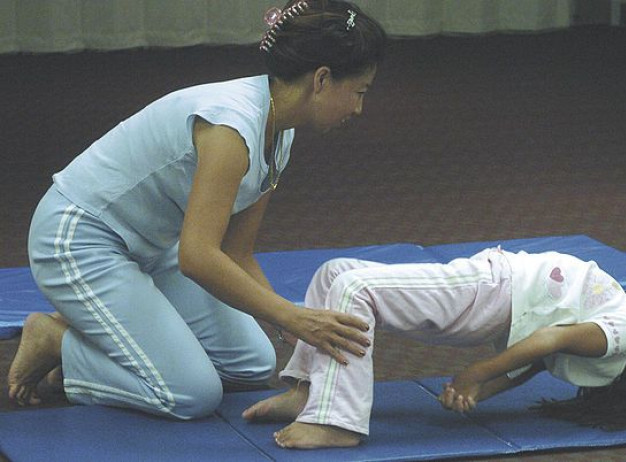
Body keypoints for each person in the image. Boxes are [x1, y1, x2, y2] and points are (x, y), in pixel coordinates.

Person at [7, 0, 387, 420]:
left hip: (152, 249)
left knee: (253, 363)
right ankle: (55, 341)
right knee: (190, 394)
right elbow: (197, 257)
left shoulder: (279, 130)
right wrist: (294, 316)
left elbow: (237, 253)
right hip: (79, 240)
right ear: (321, 79)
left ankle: (105, 349)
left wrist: (289, 330)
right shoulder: (231, 129)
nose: (358, 108)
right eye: (359, 92)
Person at [243, 247, 626, 449]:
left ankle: (337, 421)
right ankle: (308, 389)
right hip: (491, 292)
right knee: (333, 274)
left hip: (494, 288)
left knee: (352, 288)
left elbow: (547, 341)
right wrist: (484, 391)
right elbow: (539, 358)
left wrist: (477, 373)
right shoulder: (612, 351)